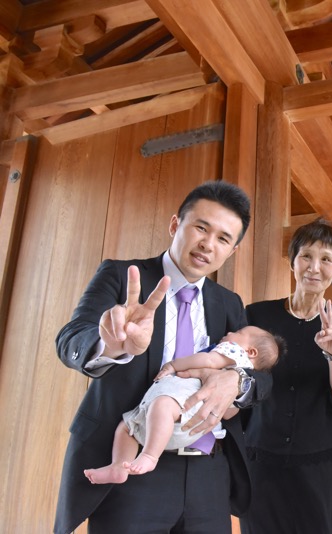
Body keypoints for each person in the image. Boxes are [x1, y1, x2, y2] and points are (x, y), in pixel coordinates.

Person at [54, 181, 272, 534]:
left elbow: (262, 376)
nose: (208, 244)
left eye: (223, 238)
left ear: (231, 251)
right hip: (131, 465)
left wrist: (236, 380)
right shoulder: (123, 276)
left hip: (209, 472)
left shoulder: (229, 303)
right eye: (201, 227)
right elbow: (70, 340)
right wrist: (115, 345)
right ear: (175, 225)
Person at [241, 219, 332, 534]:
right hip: (263, 453)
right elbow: (240, 379)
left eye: (326, 259)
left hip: (322, 458)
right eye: (306, 256)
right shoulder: (257, 315)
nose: (314, 267)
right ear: (293, 261)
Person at [84, 326, 285, 484]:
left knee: (149, 414)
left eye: (239, 332)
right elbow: (228, 414)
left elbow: (206, 359)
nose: (230, 332)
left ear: (250, 351)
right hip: (192, 429)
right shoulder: (238, 381)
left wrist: (173, 365)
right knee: (129, 426)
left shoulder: (233, 353)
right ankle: (119, 467)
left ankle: (149, 456)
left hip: (183, 402)